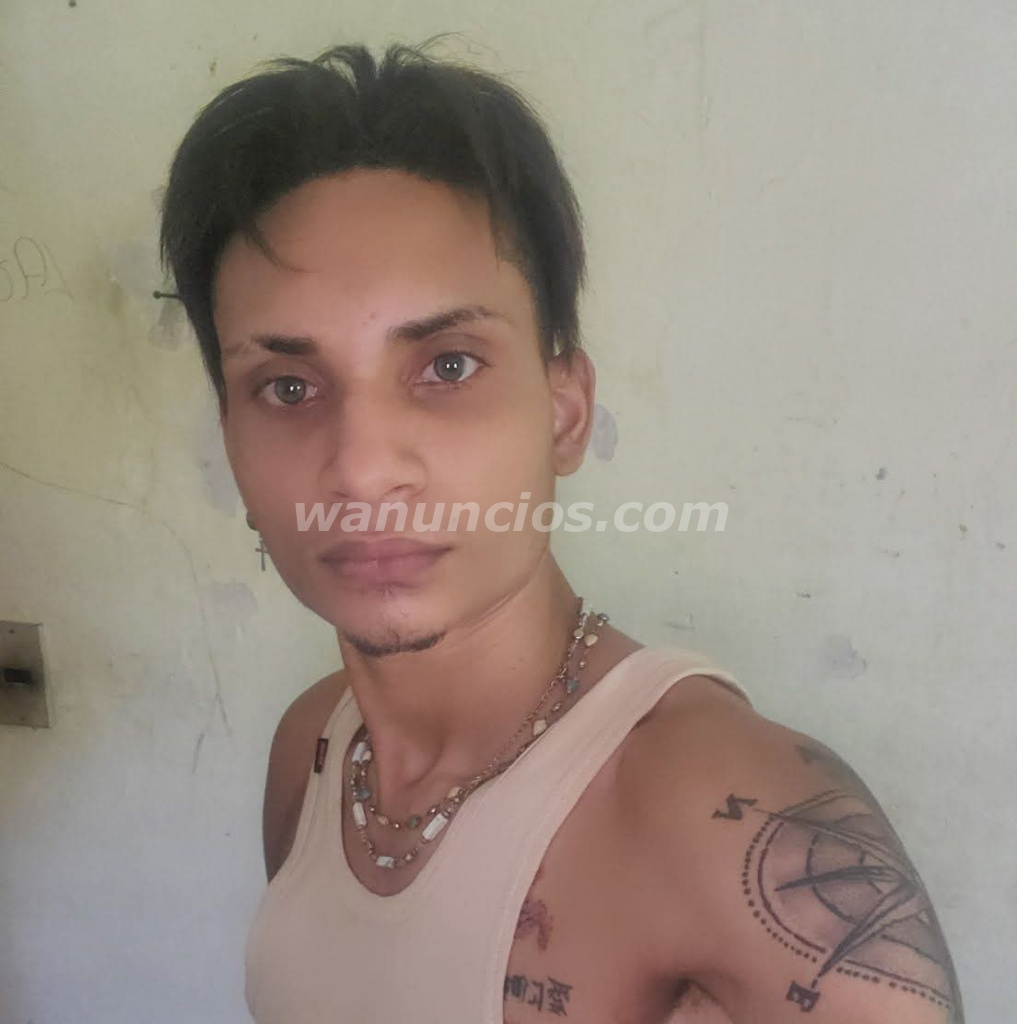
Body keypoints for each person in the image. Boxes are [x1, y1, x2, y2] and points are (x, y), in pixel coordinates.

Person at [158, 37, 964, 1024]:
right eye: (287, 387)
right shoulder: (315, 751)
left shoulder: (723, 820)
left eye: (448, 366)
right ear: (232, 443)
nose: (363, 469)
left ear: (565, 413)